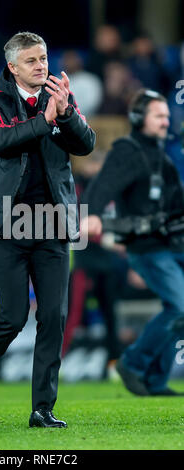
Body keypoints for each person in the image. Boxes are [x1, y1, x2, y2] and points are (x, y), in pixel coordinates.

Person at [0, 31, 95, 428]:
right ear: (13, 67)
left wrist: (67, 113)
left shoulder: (60, 98)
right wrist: (46, 119)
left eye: (44, 58)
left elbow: (86, 145)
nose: (42, 66)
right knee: (12, 315)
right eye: (33, 60)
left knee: (53, 316)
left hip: (53, 221)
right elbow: (2, 142)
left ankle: (42, 408)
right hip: (6, 221)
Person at [83, 88, 184, 396]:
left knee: (177, 311)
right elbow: (104, 183)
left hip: (169, 245)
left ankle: (153, 381)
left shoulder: (159, 155)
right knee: (180, 309)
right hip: (148, 247)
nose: (166, 121)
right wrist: (93, 213)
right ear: (139, 117)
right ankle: (132, 363)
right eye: (159, 115)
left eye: (167, 115)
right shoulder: (128, 150)